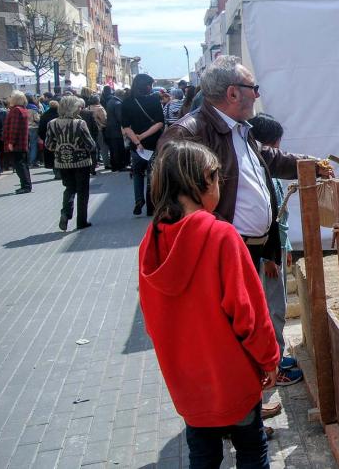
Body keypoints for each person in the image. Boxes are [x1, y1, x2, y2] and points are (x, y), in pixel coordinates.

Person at [158, 56, 332, 388]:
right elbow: (170, 203)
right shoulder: (189, 132)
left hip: (248, 248)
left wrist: (309, 165)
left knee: (249, 325)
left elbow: (268, 160)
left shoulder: (240, 129)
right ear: (234, 93)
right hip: (221, 252)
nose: (257, 94)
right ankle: (241, 412)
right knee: (231, 331)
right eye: (253, 88)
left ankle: (251, 398)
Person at [139, 140, 278, 468]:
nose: (220, 185)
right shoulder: (221, 236)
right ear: (203, 179)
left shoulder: (151, 242)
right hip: (233, 376)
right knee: (251, 449)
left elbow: (151, 316)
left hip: (187, 381)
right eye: (217, 177)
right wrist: (270, 359)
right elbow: (250, 314)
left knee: (202, 455)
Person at [247, 114, 293, 366]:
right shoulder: (259, 176)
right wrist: (268, 258)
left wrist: (284, 248)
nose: (278, 151)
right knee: (272, 308)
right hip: (268, 257)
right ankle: (274, 362)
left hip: (277, 250)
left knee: (280, 305)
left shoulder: (269, 173)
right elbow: (266, 220)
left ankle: (277, 355)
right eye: (276, 146)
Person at [46, 95, 96, 231]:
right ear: (73, 108)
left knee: (69, 188)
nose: (80, 109)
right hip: (81, 162)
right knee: (82, 191)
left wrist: (61, 147)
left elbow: (49, 145)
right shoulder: (79, 123)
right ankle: (81, 221)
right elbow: (90, 144)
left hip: (62, 162)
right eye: (78, 107)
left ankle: (65, 213)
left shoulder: (52, 123)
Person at [122, 74, 164, 215]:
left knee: (138, 173)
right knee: (152, 173)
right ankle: (151, 205)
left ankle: (138, 200)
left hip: (136, 147)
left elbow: (126, 127)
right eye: (150, 85)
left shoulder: (127, 101)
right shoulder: (154, 100)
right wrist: (144, 136)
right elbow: (159, 123)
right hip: (153, 143)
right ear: (146, 86)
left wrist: (137, 141)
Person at [2, 90, 32, 194]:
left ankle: (25, 186)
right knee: (23, 164)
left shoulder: (15, 110)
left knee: (19, 164)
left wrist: (11, 142)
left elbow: (14, 128)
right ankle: (26, 185)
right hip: (22, 141)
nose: (9, 98)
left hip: (16, 142)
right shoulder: (23, 109)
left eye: (11, 96)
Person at [103, 87, 128, 171]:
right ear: (121, 95)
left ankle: (114, 166)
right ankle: (120, 166)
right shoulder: (118, 104)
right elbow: (120, 118)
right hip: (116, 130)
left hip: (110, 129)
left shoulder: (110, 101)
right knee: (118, 148)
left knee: (113, 149)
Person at [86, 94, 109, 169]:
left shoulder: (88, 108)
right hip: (99, 129)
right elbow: (104, 120)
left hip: (90, 129)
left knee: (93, 146)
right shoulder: (99, 108)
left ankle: (94, 163)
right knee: (103, 147)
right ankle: (107, 163)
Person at [39, 100, 60, 178]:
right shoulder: (60, 114)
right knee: (59, 156)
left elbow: (41, 129)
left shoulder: (44, 115)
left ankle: (56, 173)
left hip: (49, 139)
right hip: (60, 138)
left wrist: (43, 138)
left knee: (52, 156)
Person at [26, 93, 42, 168]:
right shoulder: (33, 107)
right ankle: (32, 161)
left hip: (25, 128)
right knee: (33, 145)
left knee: (27, 145)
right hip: (33, 127)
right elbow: (37, 119)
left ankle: (28, 160)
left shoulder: (23, 107)